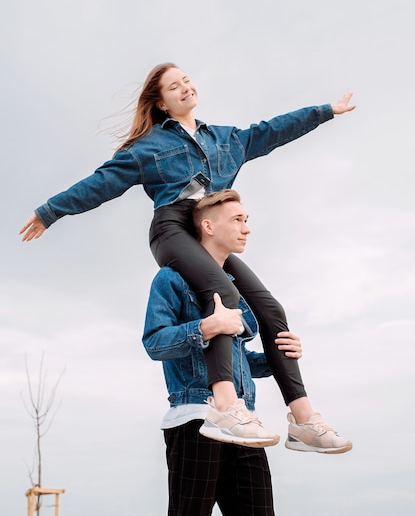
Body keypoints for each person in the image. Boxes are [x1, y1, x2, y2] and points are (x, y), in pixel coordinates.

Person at [19, 63, 355, 450]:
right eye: (173, 87)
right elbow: (101, 183)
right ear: (161, 103)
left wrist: (325, 111)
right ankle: (226, 407)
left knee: (270, 309)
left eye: (186, 81)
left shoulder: (228, 140)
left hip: (209, 235)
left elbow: (274, 130)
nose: (184, 88)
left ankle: (304, 420)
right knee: (221, 297)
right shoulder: (148, 148)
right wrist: (50, 211)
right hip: (173, 230)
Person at [142, 190, 306, 515]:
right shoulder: (171, 279)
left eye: (246, 220)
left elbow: (236, 360)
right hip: (195, 419)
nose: (246, 228)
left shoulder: (237, 289)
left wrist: (279, 359)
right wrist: (205, 327)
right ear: (208, 226)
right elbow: (155, 342)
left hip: (244, 424)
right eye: (237, 220)